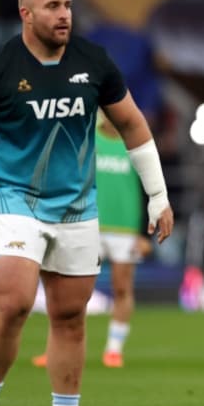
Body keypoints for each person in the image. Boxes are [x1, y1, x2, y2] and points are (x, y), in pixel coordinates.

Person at [0, 0, 174, 406]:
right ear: (26, 14)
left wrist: (158, 196)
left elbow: (131, 123)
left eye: (67, 5)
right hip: (13, 199)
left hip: (77, 206)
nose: (64, 13)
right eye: (51, 7)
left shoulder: (93, 61)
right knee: (15, 302)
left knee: (70, 316)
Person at [32, 110, 152, 369]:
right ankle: (56, 349)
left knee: (122, 288)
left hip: (125, 230)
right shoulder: (87, 139)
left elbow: (147, 190)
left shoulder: (135, 144)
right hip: (89, 224)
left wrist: (143, 233)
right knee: (72, 290)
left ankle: (113, 349)